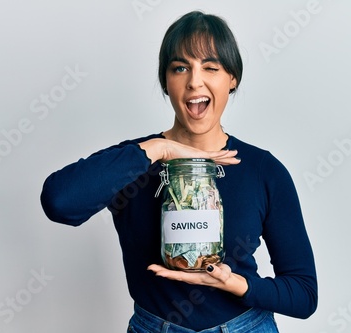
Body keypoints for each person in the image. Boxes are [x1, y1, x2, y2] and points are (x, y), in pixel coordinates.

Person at [40, 10, 317, 333]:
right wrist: (160, 149)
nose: (194, 81)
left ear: (232, 78)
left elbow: (303, 294)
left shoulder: (263, 170)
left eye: (210, 67)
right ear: (166, 81)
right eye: (180, 68)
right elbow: (59, 202)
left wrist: (238, 284)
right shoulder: (136, 161)